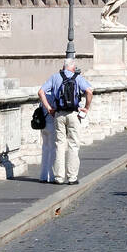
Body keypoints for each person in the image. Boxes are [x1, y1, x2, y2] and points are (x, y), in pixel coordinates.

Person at [38, 56, 93, 185]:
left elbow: (41, 92)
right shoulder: (78, 78)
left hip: (59, 114)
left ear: (63, 67)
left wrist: (49, 108)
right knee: (73, 145)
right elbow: (89, 91)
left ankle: (58, 177)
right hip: (73, 114)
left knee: (59, 144)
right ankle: (72, 177)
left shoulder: (55, 77)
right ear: (73, 68)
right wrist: (86, 107)